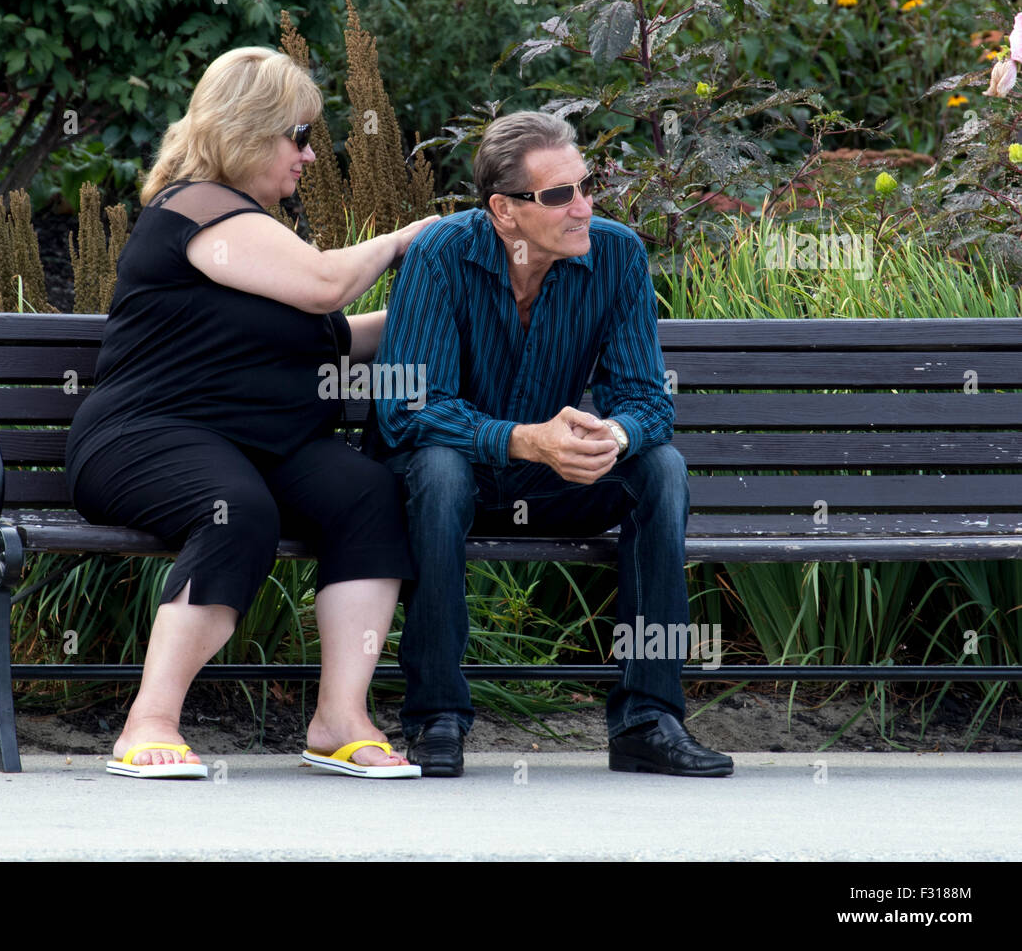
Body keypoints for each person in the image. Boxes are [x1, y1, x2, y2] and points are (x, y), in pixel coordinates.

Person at [65, 47, 437, 779]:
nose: (308, 155)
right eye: (298, 135)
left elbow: (338, 330)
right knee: (236, 509)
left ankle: (340, 718)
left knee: (368, 494)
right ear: (247, 128)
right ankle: (150, 720)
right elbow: (329, 284)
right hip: (146, 434)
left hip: (263, 441)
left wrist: (437, 303)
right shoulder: (198, 207)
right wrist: (404, 241)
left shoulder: (260, 234)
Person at [368, 110, 733, 778]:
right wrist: (522, 440)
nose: (583, 206)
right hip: (453, 478)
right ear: (504, 211)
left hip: (548, 478)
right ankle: (436, 715)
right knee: (442, 470)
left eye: (587, 185)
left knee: (661, 468)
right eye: (560, 194)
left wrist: (613, 435)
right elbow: (408, 412)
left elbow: (648, 401)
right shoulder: (441, 253)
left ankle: (648, 719)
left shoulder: (616, 254)